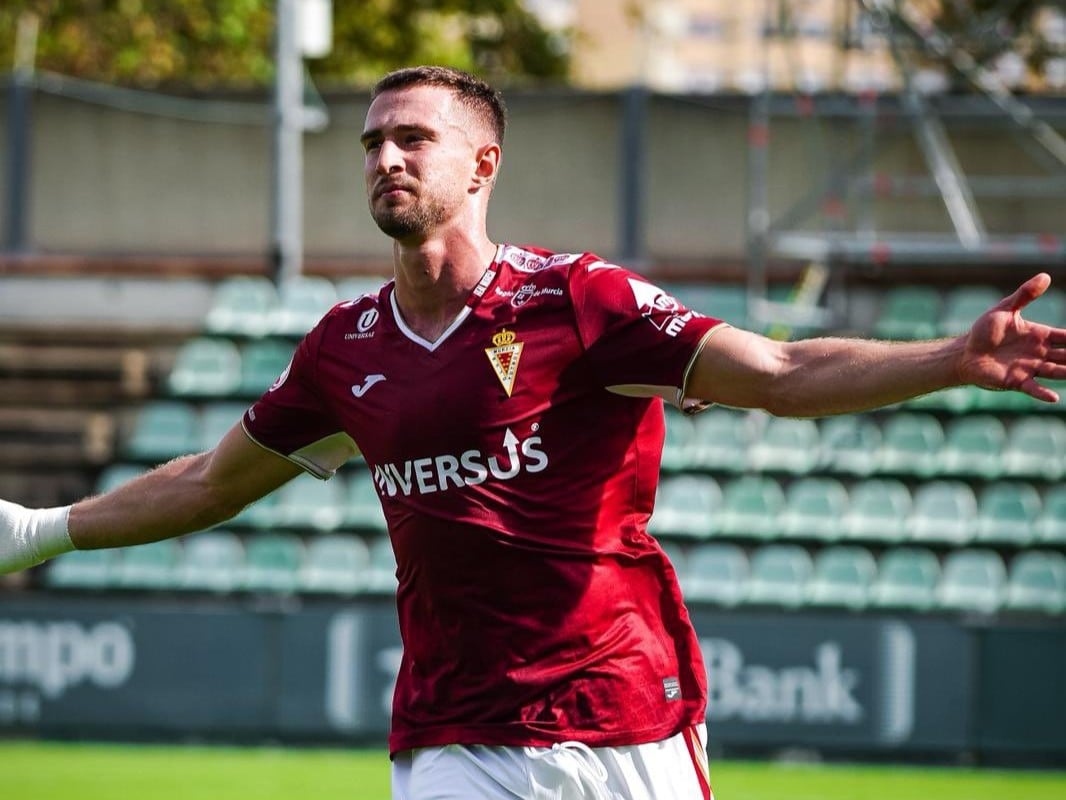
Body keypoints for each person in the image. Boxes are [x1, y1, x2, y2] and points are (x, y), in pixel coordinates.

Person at [2, 65, 1065, 799]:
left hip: (625, 716)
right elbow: (205, 483)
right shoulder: (342, 347)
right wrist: (40, 528)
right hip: (454, 731)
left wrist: (948, 359)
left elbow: (780, 372)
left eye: (413, 138)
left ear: (483, 164)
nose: (386, 157)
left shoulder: (579, 300)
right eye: (372, 141)